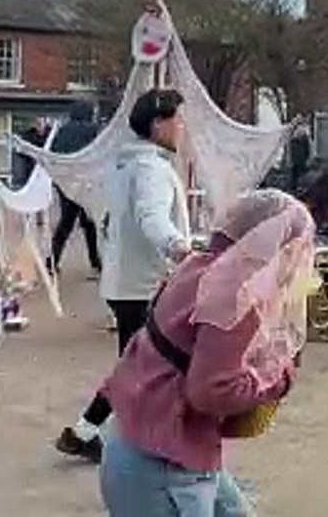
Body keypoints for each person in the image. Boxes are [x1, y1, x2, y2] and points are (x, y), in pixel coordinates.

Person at [99, 190, 311, 516]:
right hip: (167, 466)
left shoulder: (196, 266)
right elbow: (211, 391)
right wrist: (277, 381)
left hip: (132, 437)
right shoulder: (235, 296)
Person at [56, 89, 191, 463]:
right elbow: (152, 218)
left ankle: (87, 432)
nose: (182, 128)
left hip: (126, 278)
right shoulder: (150, 169)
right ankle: (139, 443)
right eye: (178, 120)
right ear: (158, 124)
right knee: (151, 367)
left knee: (136, 365)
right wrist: (180, 248)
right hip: (144, 282)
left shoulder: (123, 164)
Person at [49, 102, 103, 279]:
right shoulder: (93, 130)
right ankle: (96, 264)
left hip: (66, 183)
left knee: (66, 223)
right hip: (86, 182)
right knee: (89, 224)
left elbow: (54, 154)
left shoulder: (62, 131)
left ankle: (52, 262)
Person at [287, 119, 312, 195]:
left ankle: (297, 189)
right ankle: (297, 189)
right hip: (298, 160)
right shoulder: (298, 136)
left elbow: (307, 148)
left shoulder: (300, 136)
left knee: (297, 176)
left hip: (299, 160)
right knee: (296, 176)